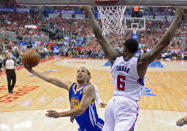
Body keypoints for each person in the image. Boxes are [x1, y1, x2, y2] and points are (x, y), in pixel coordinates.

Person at [85, 6, 184, 131]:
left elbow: (99, 37)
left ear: (125, 49)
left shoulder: (114, 58)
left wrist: (89, 12)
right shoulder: (140, 63)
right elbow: (164, 42)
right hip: (127, 105)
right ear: (137, 50)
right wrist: (177, 16)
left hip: (112, 102)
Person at [24, 66, 104, 131]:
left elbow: (81, 110)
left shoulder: (89, 88)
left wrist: (59, 114)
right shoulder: (71, 86)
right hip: (83, 128)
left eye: (83, 71)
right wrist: (32, 71)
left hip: (96, 127)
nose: (79, 72)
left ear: (88, 76)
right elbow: (50, 80)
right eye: (78, 71)